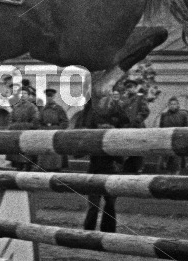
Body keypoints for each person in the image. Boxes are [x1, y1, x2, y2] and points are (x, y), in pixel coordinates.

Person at [79, 95, 128, 232]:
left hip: (111, 166)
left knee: (110, 203)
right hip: (96, 165)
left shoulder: (118, 115)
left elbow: (126, 125)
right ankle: (88, 230)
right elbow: (86, 126)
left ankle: (108, 230)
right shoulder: (92, 116)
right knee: (93, 204)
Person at [119, 79, 149, 174]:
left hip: (137, 129)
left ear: (135, 88)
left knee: (137, 152)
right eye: (127, 87)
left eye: (131, 87)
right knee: (127, 151)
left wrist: (136, 121)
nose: (129, 89)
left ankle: (138, 170)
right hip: (126, 130)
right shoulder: (124, 100)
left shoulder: (140, 98)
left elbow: (145, 111)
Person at [38, 87, 69, 171]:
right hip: (45, 134)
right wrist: (42, 129)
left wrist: (57, 129)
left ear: (54, 97)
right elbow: (38, 122)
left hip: (55, 134)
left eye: (51, 96)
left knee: (55, 157)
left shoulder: (59, 109)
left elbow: (65, 122)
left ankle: (56, 170)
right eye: (47, 96)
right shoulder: (43, 110)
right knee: (45, 155)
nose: (49, 98)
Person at [158, 97, 188, 174]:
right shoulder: (164, 115)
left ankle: (175, 178)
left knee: (176, 163)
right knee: (166, 164)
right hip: (166, 141)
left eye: (174, 104)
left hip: (178, 142)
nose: (172, 106)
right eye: (171, 104)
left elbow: (187, 127)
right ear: (168, 105)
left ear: (178, 105)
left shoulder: (183, 114)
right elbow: (161, 127)